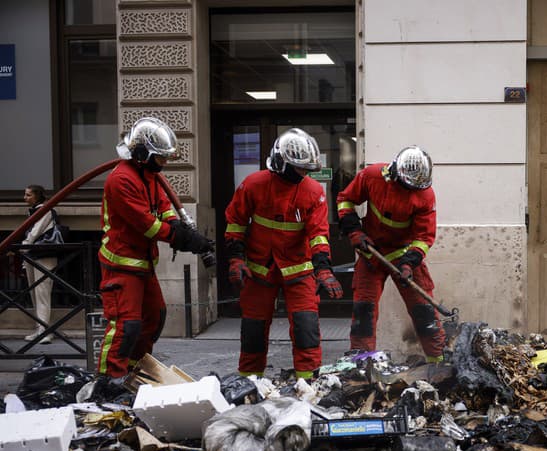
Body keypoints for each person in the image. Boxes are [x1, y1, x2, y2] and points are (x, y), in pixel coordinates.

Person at [97, 117, 214, 378]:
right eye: (160, 157)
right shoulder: (121, 180)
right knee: (126, 325)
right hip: (121, 263)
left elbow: (163, 208)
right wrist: (183, 239)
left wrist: (180, 228)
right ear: (142, 154)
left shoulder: (150, 176)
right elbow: (147, 225)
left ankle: (134, 371)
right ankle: (107, 380)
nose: (164, 162)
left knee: (154, 317)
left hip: (143, 262)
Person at [224, 128, 343, 381]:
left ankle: (308, 383)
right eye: (299, 168)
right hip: (259, 270)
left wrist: (324, 269)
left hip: (300, 270)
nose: (303, 174)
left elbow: (319, 234)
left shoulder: (313, 191)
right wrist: (236, 258)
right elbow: (235, 222)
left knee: (306, 328)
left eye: (306, 169)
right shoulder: (253, 185)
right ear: (281, 163)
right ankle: (249, 383)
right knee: (253, 330)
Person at [337, 145, 446, 363]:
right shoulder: (371, 177)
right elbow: (345, 200)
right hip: (372, 253)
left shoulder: (425, 195)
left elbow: (424, 237)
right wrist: (354, 231)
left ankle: (439, 364)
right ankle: (362, 364)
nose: (411, 191)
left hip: (404, 254)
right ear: (396, 174)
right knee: (364, 312)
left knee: (424, 312)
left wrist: (409, 263)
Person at [21, 184, 57, 343]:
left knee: (42, 294)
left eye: (28, 195)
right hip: (33, 255)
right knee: (36, 294)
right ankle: (41, 329)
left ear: (38, 196)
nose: (25, 198)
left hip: (43, 255)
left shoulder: (45, 210)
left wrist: (22, 247)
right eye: (25, 194)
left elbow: (35, 233)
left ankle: (44, 332)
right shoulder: (34, 211)